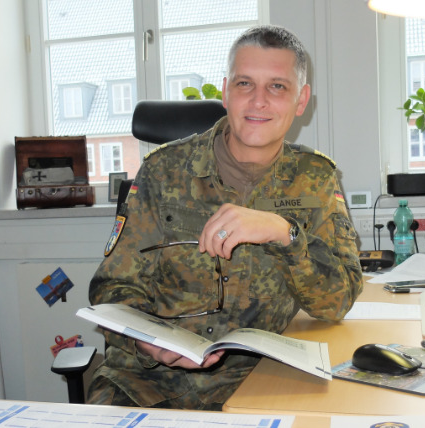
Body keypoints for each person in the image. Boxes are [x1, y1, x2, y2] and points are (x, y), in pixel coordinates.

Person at [87, 24, 363, 410]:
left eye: (277, 87)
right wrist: (147, 342)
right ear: (225, 92)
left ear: (301, 101)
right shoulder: (161, 171)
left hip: (259, 384)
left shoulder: (315, 179)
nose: (258, 101)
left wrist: (285, 234)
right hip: (147, 382)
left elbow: (336, 302)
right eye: (245, 84)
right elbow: (111, 289)